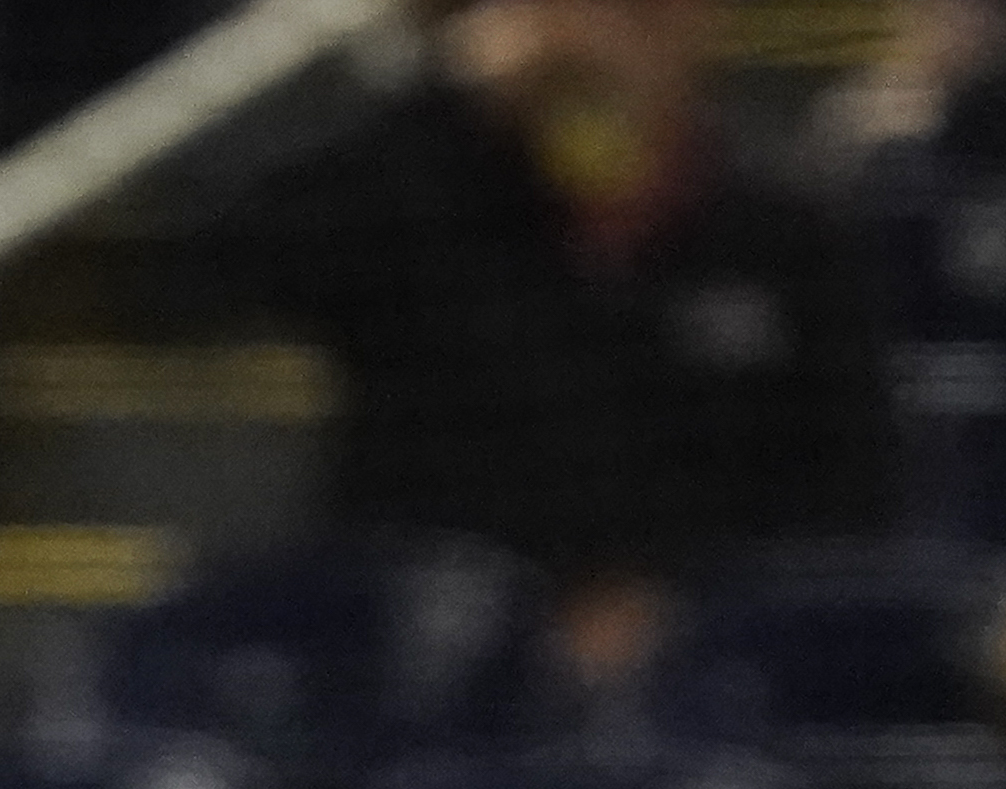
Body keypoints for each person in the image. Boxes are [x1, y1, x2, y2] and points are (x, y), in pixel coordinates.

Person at [250, 0, 901, 669]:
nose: (601, 44)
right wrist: (442, 92)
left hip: (720, 667)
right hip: (436, 652)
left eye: (635, 17)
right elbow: (227, 263)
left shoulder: (784, 238)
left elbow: (855, 488)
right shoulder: (419, 209)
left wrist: (676, 604)